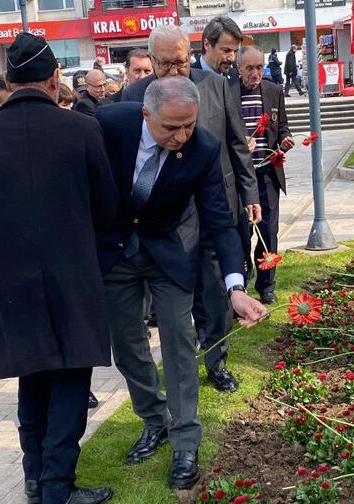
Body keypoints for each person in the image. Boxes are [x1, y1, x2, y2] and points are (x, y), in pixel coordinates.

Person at [0, 33, 118, 504]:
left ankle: (37, 479)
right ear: (54, 77)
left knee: (33, 378)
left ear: (8, 80)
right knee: (68, 380)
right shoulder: (81, 129)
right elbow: (108, 211)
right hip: (72, 274)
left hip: (8, 278)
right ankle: (56, 487)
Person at [96, 76, 268, 489]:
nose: (181, 136)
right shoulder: (108, 124)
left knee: (178, 338)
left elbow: (220, 221)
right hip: (115, 249)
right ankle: (154, 420)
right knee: (127, 344)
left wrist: (236, 287)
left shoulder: (203, 147)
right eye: (170, 128)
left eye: (188, 125)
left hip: (168, 253)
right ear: (145, 114)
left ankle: (185, 442)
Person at [120, 25, 260, 394]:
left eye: (180, 61)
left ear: (190, 54)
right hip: (163, 223)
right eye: (165, 64)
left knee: (216, 293)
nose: (174, 70)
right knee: (164, 306)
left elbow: (235, 143)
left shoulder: (214, 86)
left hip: (211, 207)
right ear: (151, 62)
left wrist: (249, 193)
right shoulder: (132, 97)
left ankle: (217, 361)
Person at [237, 45, 293, 304]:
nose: (255, 73)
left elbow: (282, 126)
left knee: (268, 232)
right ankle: (242, 282)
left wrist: (285, 139)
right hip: (239, 178)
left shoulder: (274, 91)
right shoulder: (228, 93)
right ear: (239, 68)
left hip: (268, 172)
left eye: (259, 67)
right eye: (249, 68)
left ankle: (267, 285)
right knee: (241, 233)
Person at [192, 16, 241, 87]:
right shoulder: (188, 79)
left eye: (235, 51)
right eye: (226, 50)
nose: (232, 58)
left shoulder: (235, 78)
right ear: (207, 45)